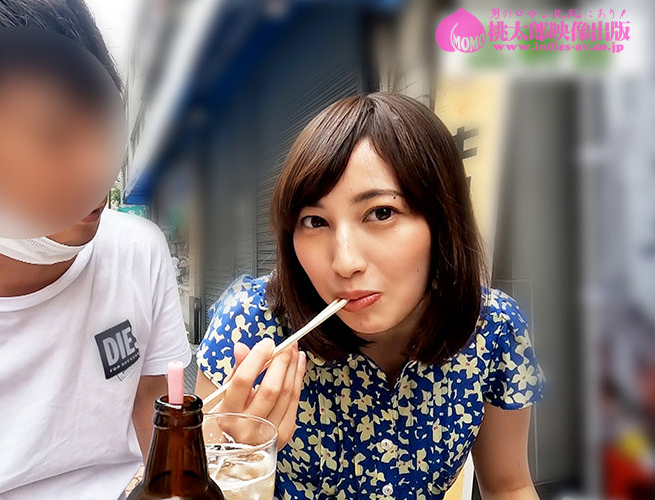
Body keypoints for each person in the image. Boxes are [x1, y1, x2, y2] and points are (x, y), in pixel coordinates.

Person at [0, 1, 302, 498]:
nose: (96, 170)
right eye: (49, 132)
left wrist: (213, 455)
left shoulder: (138, 252)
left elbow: (153, 421)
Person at [195, 92, 546, 499]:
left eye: (381, 213)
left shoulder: (492, 328)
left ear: (442, 219)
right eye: (315, 221)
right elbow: (193, 479)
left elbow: (509, 486)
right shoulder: (251, 324)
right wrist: (232, 466)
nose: (345, 263)